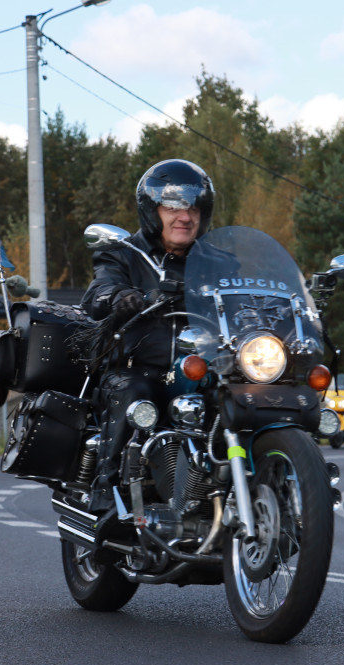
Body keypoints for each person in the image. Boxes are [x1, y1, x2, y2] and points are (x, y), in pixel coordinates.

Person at [81, 158, 215, 524]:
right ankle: (107, 492)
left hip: (200, 367)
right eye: (172, 206)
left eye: (193, 207)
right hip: (136, 366)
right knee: (136, 392)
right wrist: (119, 298)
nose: (184, 216)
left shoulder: (219, 262)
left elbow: (244, 299)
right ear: (152, 210)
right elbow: (98, 292)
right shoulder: (125, 252)